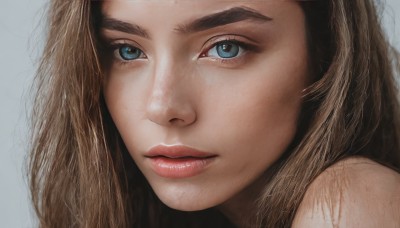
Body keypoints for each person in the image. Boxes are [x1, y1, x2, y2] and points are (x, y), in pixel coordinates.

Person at [29, 0, 400, 227]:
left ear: (325, 53)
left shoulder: (352, 203)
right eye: (127, 51)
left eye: (226, 48)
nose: (162, 107)